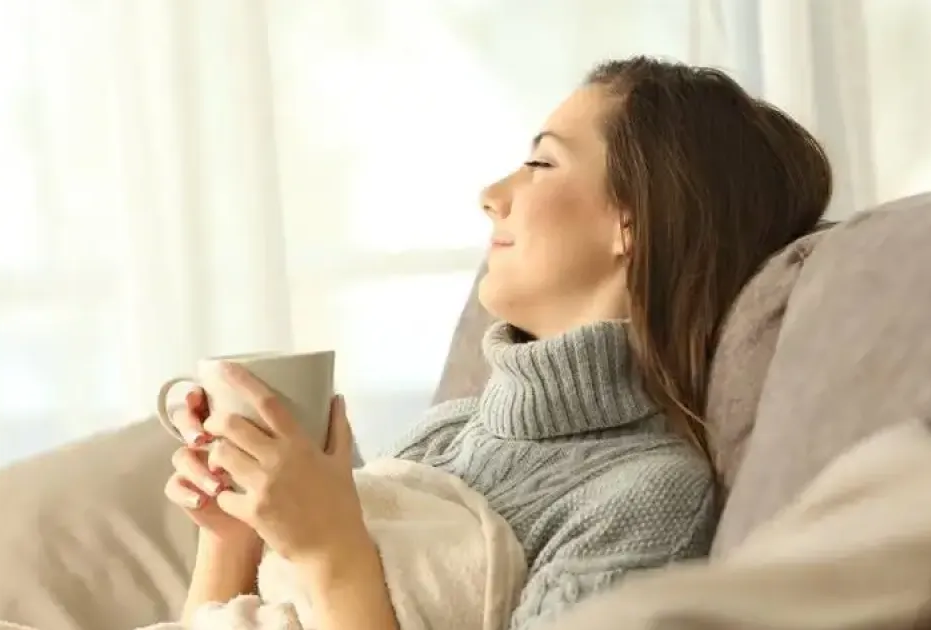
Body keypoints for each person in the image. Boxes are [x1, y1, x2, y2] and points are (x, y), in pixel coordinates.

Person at [161, 56, 832, 630]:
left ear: (633, 222)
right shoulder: (446, 434)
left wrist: (331, 553)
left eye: (541, 162)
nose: (490, 195)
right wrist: (232, 534)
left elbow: (335, 576)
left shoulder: (646, 496)